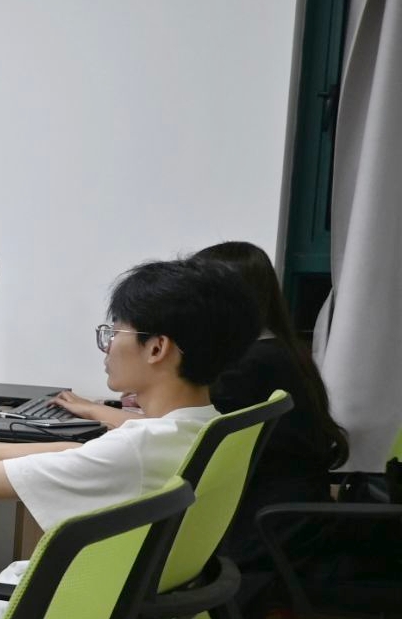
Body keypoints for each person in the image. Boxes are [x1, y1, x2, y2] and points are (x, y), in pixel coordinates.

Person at [0, 256, 257, 619]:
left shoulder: (136, 450)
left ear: (157, 348)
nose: (107, 347)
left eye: (115, 332)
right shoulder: (206, 427)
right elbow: (74, 452)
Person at [48, 241, 346, 570]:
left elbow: (181, 433)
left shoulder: (250, 366)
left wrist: (94, 410)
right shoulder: (281, 349)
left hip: (262, 531)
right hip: (282, 519)